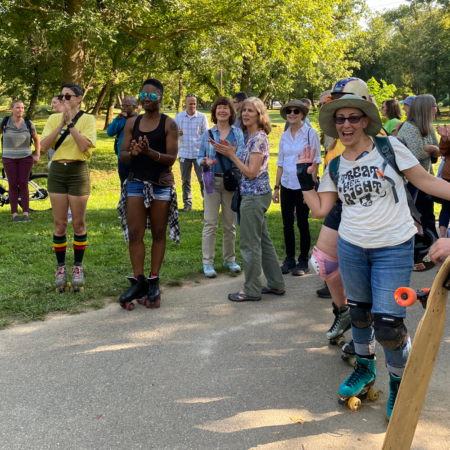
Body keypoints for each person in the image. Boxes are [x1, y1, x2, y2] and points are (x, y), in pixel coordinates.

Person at [296, 93, 450, 421]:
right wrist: (302, 179)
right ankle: (365, 370)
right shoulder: (335, 165)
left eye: (353, 118)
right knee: (361, 315)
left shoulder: (389, 149)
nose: (347, 124)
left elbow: (426, 181)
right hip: (352, 248)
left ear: (365, 120)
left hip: (393, 248)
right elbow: (322, 209)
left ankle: (398, 382)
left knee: (389, 327)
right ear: (334, 125)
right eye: (340, 119)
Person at [213, 97, 285, 301]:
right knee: (264, 242)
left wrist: (232, 156)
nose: (245, 114)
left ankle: (251, 289)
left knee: (250, 244)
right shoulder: (251, 137)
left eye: (251, 111)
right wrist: (233, 152)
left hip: (254, 197)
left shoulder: (258, 139)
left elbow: (251, 172)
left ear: (260, 115)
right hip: (255, 195)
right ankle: (276, 284)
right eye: (244, 110)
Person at [117, 78, 179, 310]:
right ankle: (138, 280)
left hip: (160, 184)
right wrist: (132, 153)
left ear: (160, 97)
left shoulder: (168, 124)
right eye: (143, 95)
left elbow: (171, 158)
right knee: (135, 233)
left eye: (152, 96)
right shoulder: (132, 122)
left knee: (159, 233)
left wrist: (151, 153)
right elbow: (122, 155)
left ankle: (154, 280)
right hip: (135, 183)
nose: (146, 99)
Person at [41, 84, 96, 293]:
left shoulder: (88, 119)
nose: (63, 98)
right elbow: (45, 146)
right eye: (60, 95)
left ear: (79, 98)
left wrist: (70, 123)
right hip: (57, 171)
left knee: (79, 224)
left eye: (67, 96)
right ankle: (61, 267)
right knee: (60, 224)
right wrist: (60, 123)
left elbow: (83, 146)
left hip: (77, 171)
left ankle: (78, 267)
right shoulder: (53, 118)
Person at [197, 97, 244, 278]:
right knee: (210, 223)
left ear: (231, 112)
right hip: (210, 180)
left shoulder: (238, 134)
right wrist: (205, 161)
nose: (222, 111)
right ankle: (207, 263)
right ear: (215, 112)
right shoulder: (208, 133)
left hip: (230, 182)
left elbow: (239, 156)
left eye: (226, 108)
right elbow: (199, 156)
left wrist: (227, 152)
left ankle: (229, 260)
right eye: (219, 108)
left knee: (229, 224)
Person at [273, 100, 321, 276]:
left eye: (295, 111)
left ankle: (303, 260)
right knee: (287, 223)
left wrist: (309, 189)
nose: (291, 114)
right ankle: (290, 258)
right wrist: (276, 188)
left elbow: (315, 163)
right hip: (286, 184)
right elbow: (280, 163)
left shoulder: (310, 134)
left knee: (302, 223)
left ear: (302, 114)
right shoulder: (284, 136)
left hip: (303, 186)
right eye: (288, 112)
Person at [397, 95, 440, 237]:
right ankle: (424, 249)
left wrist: (432, 149)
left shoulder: (427, 127)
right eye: (434, 106)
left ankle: (430, 247)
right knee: (416, 216)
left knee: (428, 215)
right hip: (411, 182)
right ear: (426, 109)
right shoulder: (409, 128)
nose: (436, 109)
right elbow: (417, 154)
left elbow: (438, 151)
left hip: (424, 179)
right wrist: (431, 150)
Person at [1, 99, 40, 222]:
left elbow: (36, 139)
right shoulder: (4, 122)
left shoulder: (29, 123)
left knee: (23, 184)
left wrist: (37, 154)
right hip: (9, 158)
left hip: (26, 158)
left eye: (22, 108)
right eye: (17, 107)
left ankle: (25, 214)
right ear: (11, 109)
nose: (20, 110)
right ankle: (15, 215)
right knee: (12, 185)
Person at [174, 94, 209, 211]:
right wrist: (176, 134)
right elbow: (171, 135)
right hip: (184, 153)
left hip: (199, 154)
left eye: (194, 103)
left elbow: (207, 134)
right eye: (190, 104)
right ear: (185, 104)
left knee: (203, 179)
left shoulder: (202, 117)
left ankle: (207, 204)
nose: (193, 106)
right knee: (185, 180)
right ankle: (187, 204)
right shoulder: (178, 117)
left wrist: (202, 144)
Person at [49, 95, 73, 224]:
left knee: (69, 186)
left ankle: (69, 212)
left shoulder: (73, 119)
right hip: (54, 158)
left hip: (69, 160)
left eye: (54, 103)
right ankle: (61, 211)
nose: (52, 105)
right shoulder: (52, 119)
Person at [107, 96, 138, 188]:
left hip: (134, 159)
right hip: (121, 157)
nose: (123, 108)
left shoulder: (139, 120)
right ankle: (124, 202)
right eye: (122, 105)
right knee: (123, 185)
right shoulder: (121, 119)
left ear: (134, 107)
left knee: (134, 186)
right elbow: (110, 133)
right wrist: (117, 119)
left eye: (126, 105)